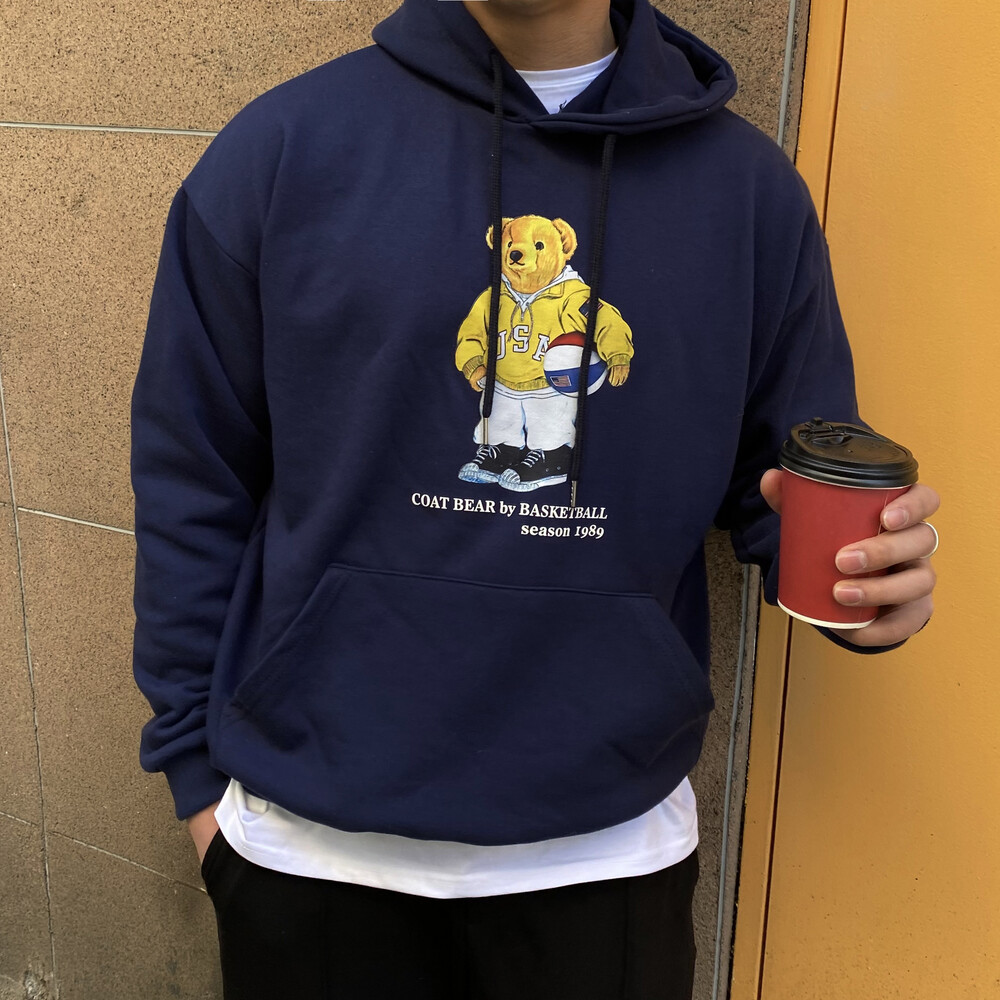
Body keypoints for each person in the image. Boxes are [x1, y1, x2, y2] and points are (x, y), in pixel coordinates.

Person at [131, 0, 939, 996]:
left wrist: (865, 582)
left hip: (610, 858)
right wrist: (196, 784)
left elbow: (790, 477)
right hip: (306, 853)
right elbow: (190, 476)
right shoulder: (283, 151)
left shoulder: (749, 196)